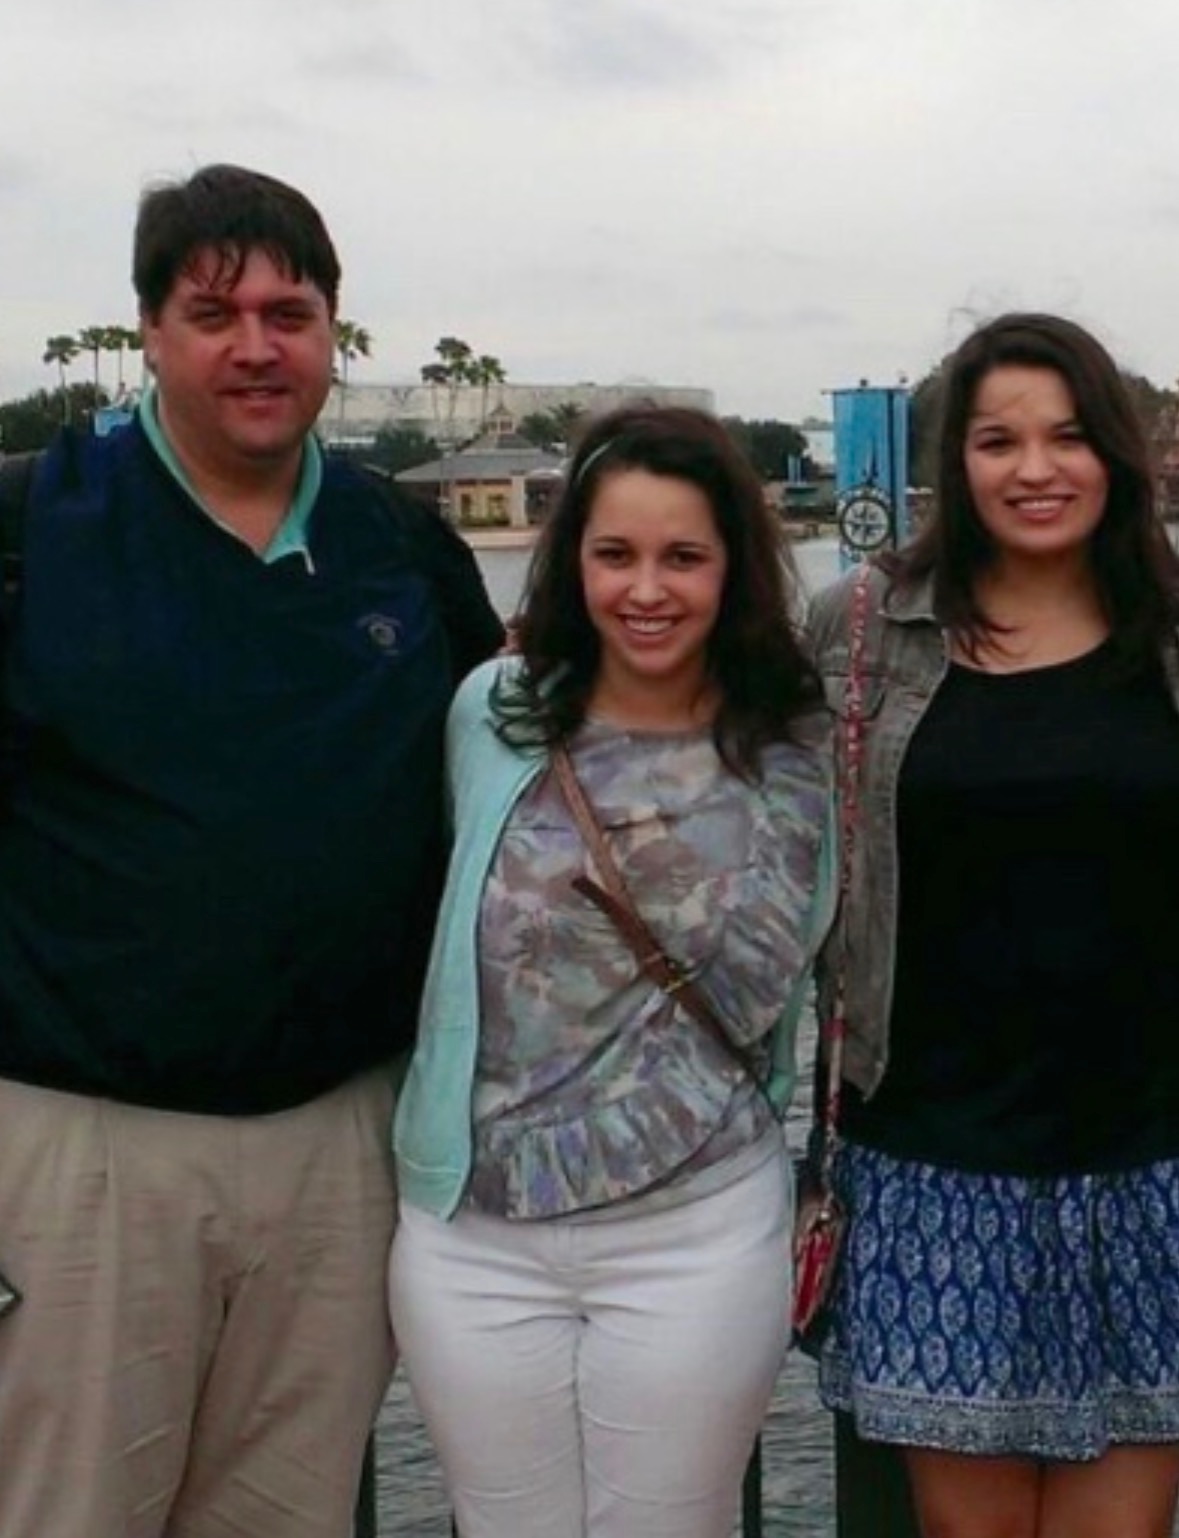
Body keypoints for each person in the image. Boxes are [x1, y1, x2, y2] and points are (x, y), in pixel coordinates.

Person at [0, 164, 502, 1537]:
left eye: (289, 313)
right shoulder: (33, 527)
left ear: (332, 330)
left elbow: (504, 787)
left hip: (344, 1142)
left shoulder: (401, 544)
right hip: (82, 1149)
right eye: (214, 314)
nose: (256, 347)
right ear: (150, 333)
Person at [390, 404, 836, 1538]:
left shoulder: (798, 744)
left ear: (733, 569)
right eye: (614, 554)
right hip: (474, 1238)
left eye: (683, 556)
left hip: (698, 1232)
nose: (646, 588)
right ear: (572, 562)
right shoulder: (492, 714)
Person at [808, 312, 1179, 1538]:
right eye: (998, 440)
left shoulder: (1167, 628)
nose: (1035, 467)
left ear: (1116, 453)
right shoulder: (864, 628)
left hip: (1152, 1157)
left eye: (1068, 436)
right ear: (952, 462)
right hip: (934, 1160)